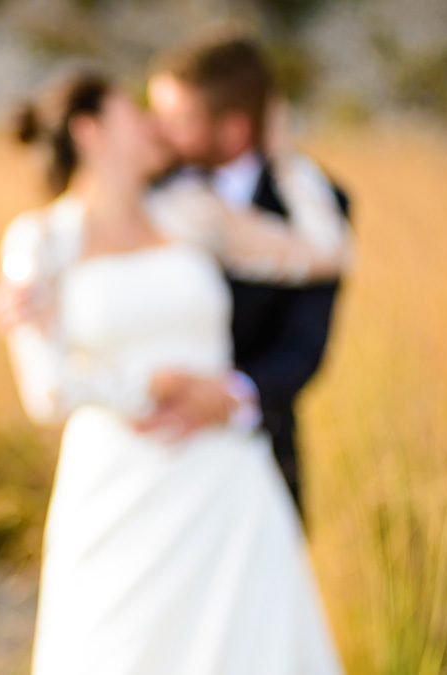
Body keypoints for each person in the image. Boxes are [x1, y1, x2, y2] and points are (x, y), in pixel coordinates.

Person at [0, 69, 343, 674]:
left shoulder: (191, 213)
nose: (155, 124)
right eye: (135, 112)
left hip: (227, 479)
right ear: (90, 130)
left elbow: (325, 255)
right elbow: (45, 391)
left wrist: (282, 156)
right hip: (117, 484)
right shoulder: (40, 238)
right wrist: (149, 388)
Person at [146, 32, 352, 515]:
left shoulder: (315, 206)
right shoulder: (146, 187)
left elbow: (304, 346)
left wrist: (228, 396)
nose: (158, 131)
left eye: (177, 120)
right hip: (151, 446)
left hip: (259, 447)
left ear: (234, 130)